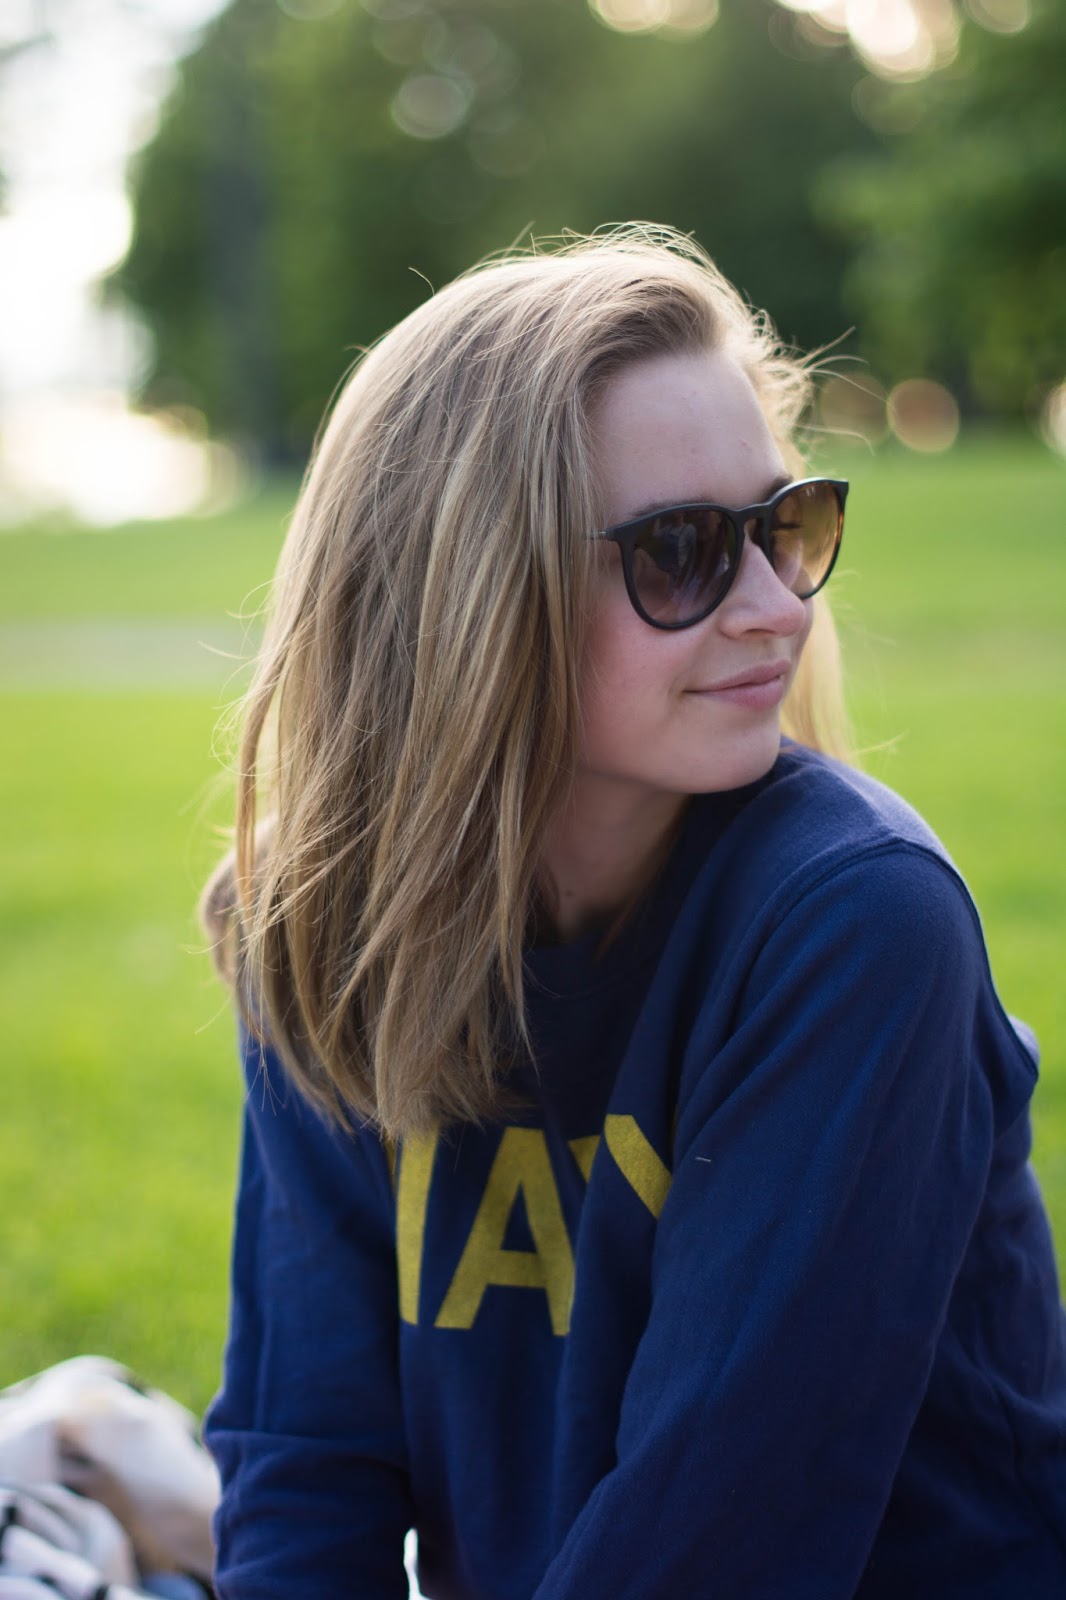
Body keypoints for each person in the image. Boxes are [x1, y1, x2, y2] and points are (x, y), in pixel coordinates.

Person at [200, 226, 1066, 1599]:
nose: (777, 608)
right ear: (468, 597)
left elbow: (720, 1539)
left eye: (785, 527)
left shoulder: (856, 923)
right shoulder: (323, 926)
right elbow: (309, 1459)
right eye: (680, 551)